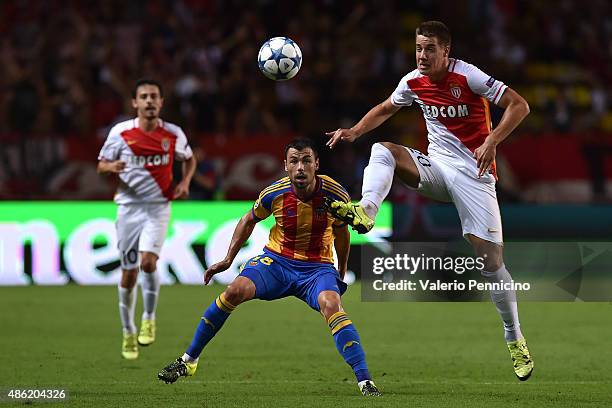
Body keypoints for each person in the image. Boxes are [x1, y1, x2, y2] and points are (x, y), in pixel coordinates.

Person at [325, 21, 534, 381]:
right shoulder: (412, 81)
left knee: (492, 261)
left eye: (430, 49)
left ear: (445, 52)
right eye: (418, 48)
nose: (422, 55)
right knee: (383, 150)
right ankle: (366, 211)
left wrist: (493, 140)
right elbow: (388, 107)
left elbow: (520, 105)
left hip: (475, 175)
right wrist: (355, 131)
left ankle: (513, 336)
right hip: (436, 167)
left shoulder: (469, 77)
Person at [157, 138, 382, 396]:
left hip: (317, 268)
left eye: (306, 160)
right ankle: (188, 361)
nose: (300, 167)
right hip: (277, 262)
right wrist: (228, 259)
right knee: (234, 290)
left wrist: (340, 273)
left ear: (316, 164)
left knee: (332, 304)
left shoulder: (335, 193)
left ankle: (365, 381)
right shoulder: (273, 193)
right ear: (285, 165)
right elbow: (247, 219)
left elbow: (342, 233)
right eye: (294, 161)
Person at [97, 79, 196, 359]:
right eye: (144, 96)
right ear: (135, 103)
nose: (149, 101)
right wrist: (111, 166)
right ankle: (128, 331)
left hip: (158, 207)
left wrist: (186, 181)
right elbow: (100, 165)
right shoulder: (120, 133)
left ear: (161, 102)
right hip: (128, 208)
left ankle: (149, 317)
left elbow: (189, 158)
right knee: (129, 274)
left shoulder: (173, 133)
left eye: (154, 96)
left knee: (148, 262)